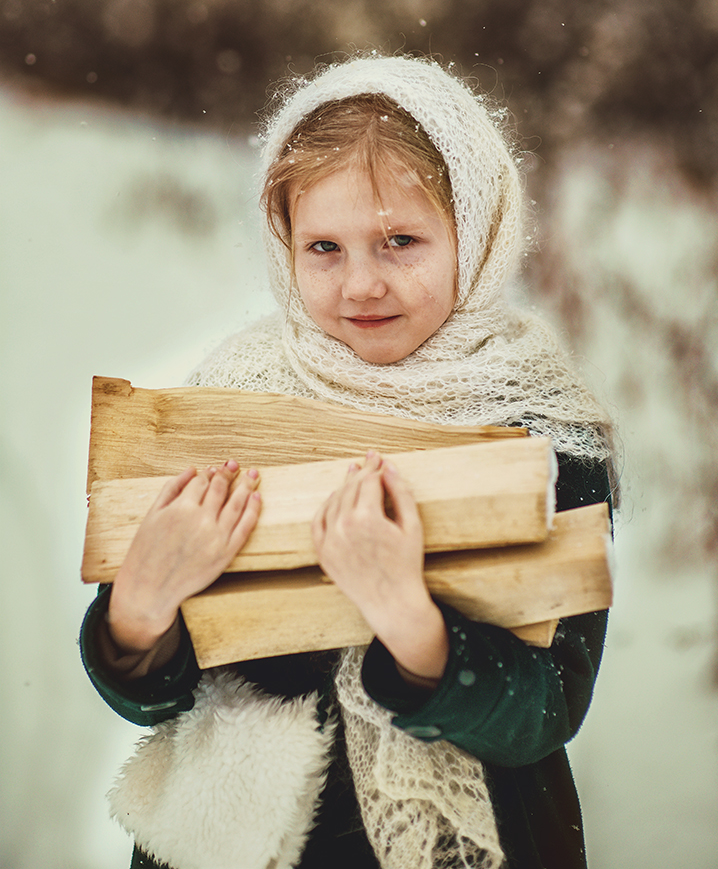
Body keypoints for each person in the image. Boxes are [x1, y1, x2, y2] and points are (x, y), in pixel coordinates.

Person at [80, 54, 616, 869]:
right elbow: (153, 697)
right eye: (324, 246)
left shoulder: (537, 429)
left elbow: (546, 707)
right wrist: (140, 615)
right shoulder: (232, 403)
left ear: (475, 232)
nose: (362, 282)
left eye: (400, 240)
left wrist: (408, 618)